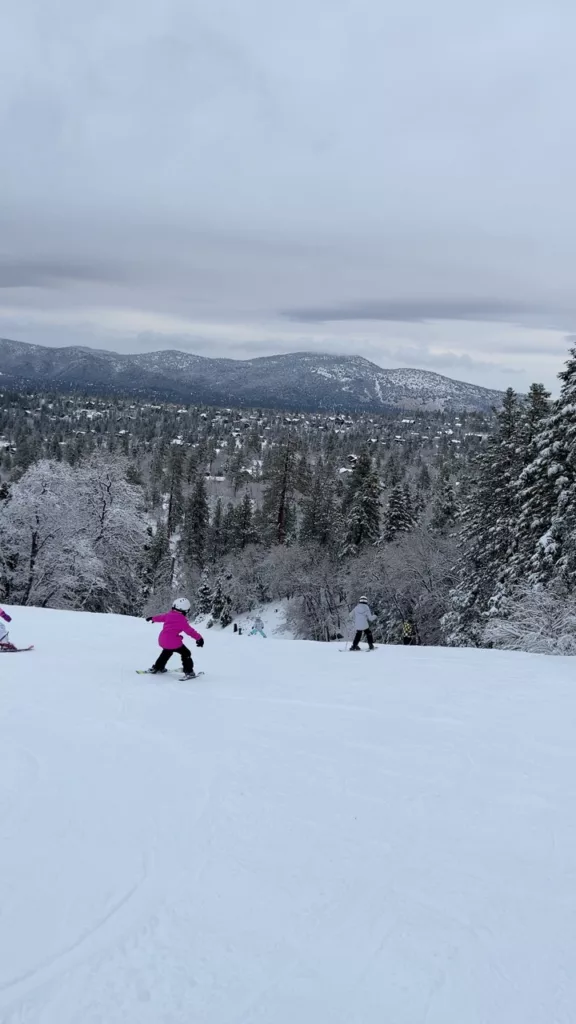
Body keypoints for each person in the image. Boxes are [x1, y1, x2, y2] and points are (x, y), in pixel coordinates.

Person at [146, 598, 204, 678]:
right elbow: (190, 631)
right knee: (186, 653)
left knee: (166, 652)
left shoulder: (169, 615)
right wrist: (199, 638)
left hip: (162, 639)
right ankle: (189, 672)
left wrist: (152, 618)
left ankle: (158, 667)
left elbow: (161, 617)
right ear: (185, 610)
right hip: (173, 641)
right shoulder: (182, 620)